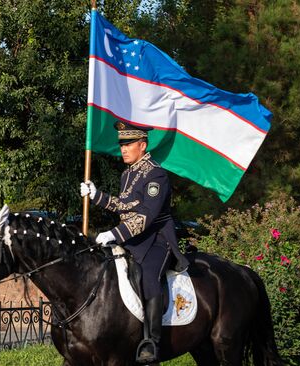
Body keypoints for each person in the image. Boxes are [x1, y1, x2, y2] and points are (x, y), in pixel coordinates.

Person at [80, 120, 190, 364]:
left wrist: (114, 234)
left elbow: (146, 215)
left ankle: (152, 343)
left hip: (157, 239)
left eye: (129, 144)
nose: (124, 149)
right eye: (122, 145)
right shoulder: (127, 174)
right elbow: (125, 206)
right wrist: (97, 195)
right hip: (133, 239)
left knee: (149, 277)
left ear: (143, 145)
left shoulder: (156, 174)